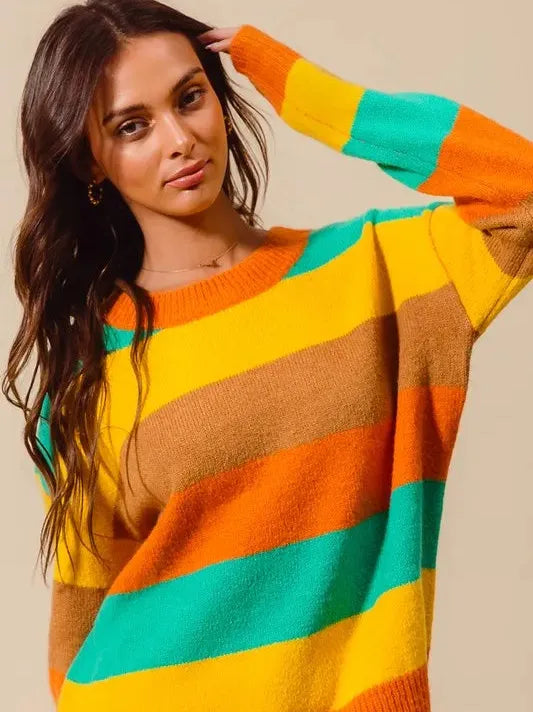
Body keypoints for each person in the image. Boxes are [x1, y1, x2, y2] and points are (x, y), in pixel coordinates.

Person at [3, 0, 532, 710]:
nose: (180, 140)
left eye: (190, 98)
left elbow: (522, 194)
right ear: (90, 162)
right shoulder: (91, 374)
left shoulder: (375, 269)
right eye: (132, 126)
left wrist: (313, 96)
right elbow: (80, 613)